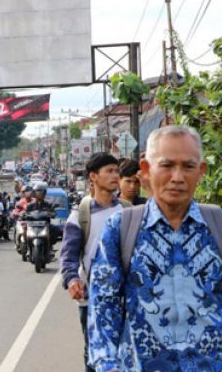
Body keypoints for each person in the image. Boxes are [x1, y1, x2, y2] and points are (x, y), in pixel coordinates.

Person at [88, 126, 222, 371]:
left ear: (201, 172)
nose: (177, 177)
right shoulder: (121, 228)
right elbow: (104, 309)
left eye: (188, 166)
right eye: (167, 165)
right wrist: (107, 365)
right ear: (146, 169)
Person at [59, 152, 127, 372]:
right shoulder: (80, 215)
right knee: (94, 354)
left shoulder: (127, 211)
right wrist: (71, 280)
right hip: (92, 300)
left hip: (127, 298)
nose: (115, 176)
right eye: (109, 171)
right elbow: (68, 255)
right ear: (93, 177)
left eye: (116, 171)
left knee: (126, 353)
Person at [24, 183, 56, 258]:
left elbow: (53, 212)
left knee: (55, 229)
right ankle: (28, 249)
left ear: (44, 193)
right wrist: (23, 215)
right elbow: (26, 213)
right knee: (24, 229)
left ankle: (50, 248)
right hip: (32, 225)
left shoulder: (48, 204)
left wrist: (52, 213)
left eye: (41, 192)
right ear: (34, 193)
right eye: (37, 192)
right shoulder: (30, 205)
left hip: (45, 225)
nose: (39, 194)